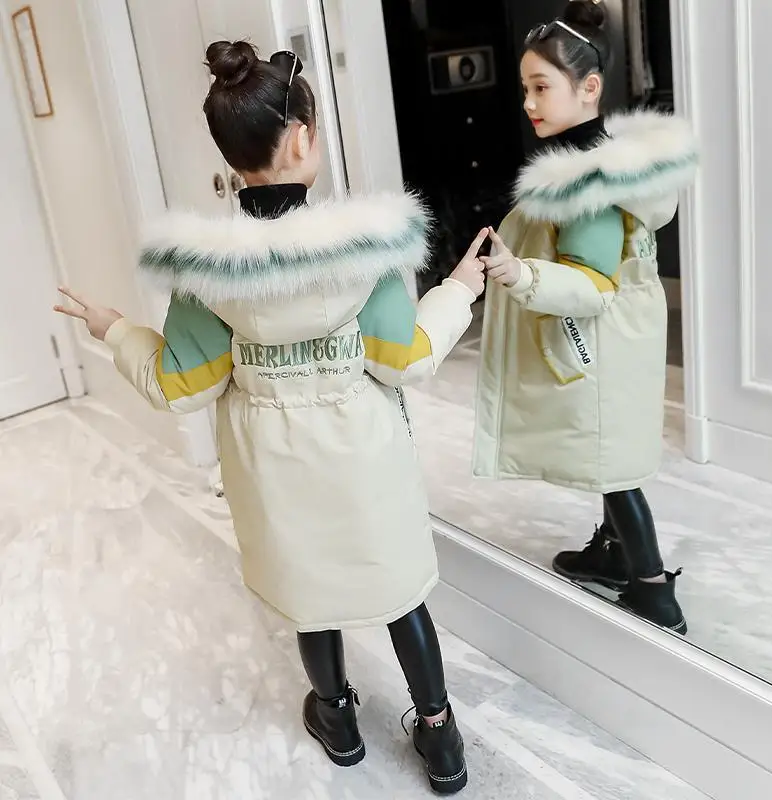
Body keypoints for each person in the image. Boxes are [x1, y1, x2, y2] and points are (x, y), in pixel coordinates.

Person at [55, 41, 482, 795]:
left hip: (275, 475)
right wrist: (457, 290)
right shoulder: (366, 253)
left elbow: (180, 386)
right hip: (365, 468)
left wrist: (115, 328)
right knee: (399, 598)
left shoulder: (207, 276)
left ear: (231, 154)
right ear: (304, 137)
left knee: (310, 601)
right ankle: (441, 737)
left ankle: (337, 720)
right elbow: (405, 358)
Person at [472, 0, 697, 635]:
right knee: (610, 457)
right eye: (525, 88)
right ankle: (615, 553)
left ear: (589, 88)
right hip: (621, 341)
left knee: (615, 468)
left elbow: (592, 285)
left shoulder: (588, 184)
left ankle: (651, 589)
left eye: (541, 87)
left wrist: (520, 274)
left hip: (599, 341)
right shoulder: (605, 165)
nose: (528, 102)